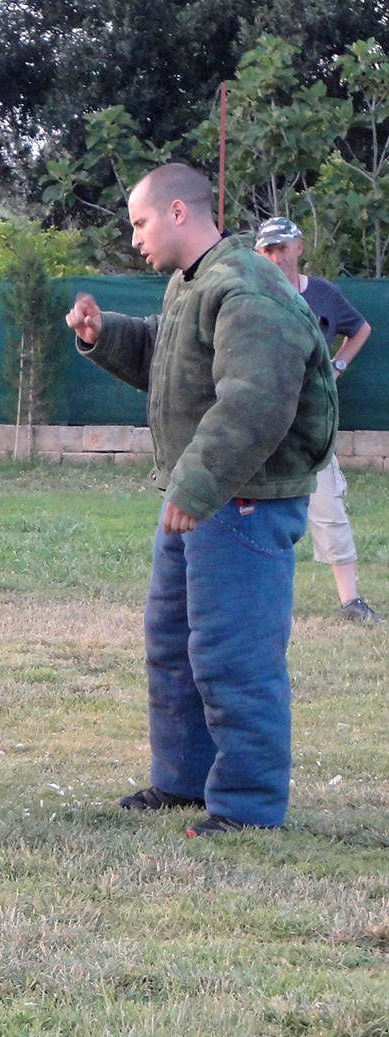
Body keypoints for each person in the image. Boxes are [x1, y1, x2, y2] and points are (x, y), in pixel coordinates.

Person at [66, 163, 337, 837]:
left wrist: (195, 485)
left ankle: (246, 808)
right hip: (204, 500)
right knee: (175, 648)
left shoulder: (244, 285)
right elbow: (172, 350)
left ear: (179, 212)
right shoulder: (196, 281)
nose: (134, 239)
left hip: (240, 501)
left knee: (234, 659)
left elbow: (254, 398)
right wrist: (105, 336)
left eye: (138, 222)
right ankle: (185, 781)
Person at [255, 217, 384, 624]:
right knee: (251, 505)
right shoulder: (251, 294)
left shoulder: (323, 294)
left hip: (311, 421)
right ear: (259, 255)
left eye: (283, 247)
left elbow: (360, 329)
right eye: (268, 250)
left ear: (299, 247)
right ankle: (252, 596)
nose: (277, 257)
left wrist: (339, 364)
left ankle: (351, 602)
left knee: (328, 505)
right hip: (261, 417)